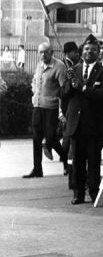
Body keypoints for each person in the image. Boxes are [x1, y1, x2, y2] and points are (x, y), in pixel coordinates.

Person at [63, 36, 103, 204]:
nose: (89, 52)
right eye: (86, 49)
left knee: (93, 160)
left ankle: (93, 191)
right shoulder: (73, 70)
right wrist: (69, 84)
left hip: (94, 124)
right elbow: (63, 95)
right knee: (77, 160)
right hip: (76, 124)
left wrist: (84, 88)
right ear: (81, 51)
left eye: (93, 49)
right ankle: (78, 192)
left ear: (98, 53)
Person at [24, 42, 68, 179]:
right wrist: (34, 93)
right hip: (37, 106)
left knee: (50, 138)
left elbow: (64, 89)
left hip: (51, 107)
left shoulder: (59, 66)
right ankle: (37, 169)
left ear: (52, 52)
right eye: (41, 52)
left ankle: (66, 159)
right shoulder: (39, 65)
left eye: (46, 52)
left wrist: (62, 110)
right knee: (36, 138)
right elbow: (34, 81)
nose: (43, 55)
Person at [60, 41, 82, 177]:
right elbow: (62, 91)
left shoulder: (78, 64)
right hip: (68, 107)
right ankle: (67, 165)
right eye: (67, 53)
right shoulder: (65, 66)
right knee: (67, 138)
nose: (68, 55)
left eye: (71, 53)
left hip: (79, 106)